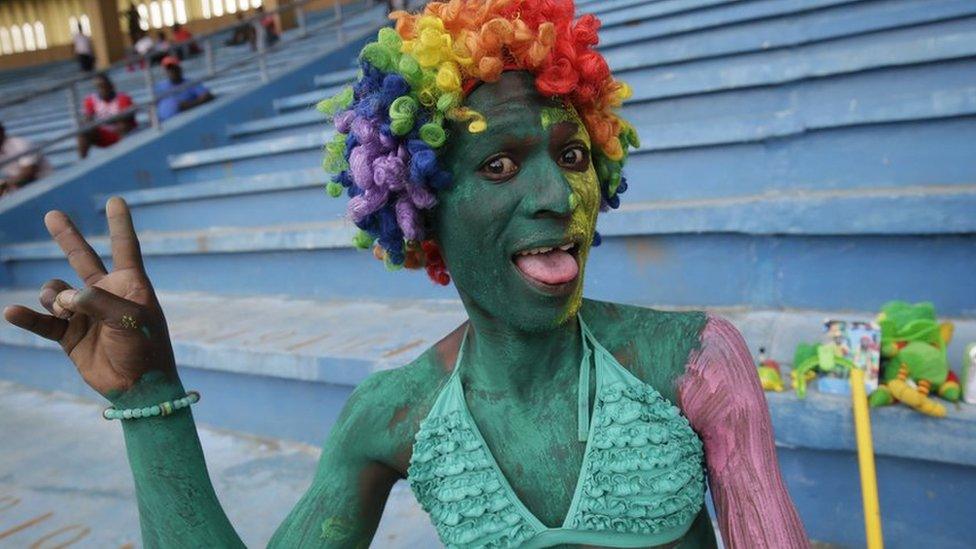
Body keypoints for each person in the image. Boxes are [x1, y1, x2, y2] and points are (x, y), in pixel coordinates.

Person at [1, 2, 809, 547]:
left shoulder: (699, 361)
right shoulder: (392, 416)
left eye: (572, 155)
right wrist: (151, 403)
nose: (558, 193)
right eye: (499, 163)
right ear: (423, 208)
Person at [77, 74, 137, 159]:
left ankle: (125, 155)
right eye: (99, 87)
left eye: (104, 86)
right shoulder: (90, 100)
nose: (102, 89)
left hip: (122, 133)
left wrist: (106, 120)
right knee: (83, 131)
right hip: (104, 134)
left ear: (111, 86)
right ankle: (82, 162)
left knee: (123, 124)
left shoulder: (123, 98)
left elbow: (126, 118)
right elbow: (87, 119)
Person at [0, 122, 52, 197]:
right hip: (21, 187)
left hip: (43, 183)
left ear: (2, 131)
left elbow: (29, 173)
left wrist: (6, 185)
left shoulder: (20, 144)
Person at [154, 56, 213, 122]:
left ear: (179, 68)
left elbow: (207, 95)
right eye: (169, 69)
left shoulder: (191, 83)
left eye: (174, 68)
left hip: (184, 121)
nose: (172, 71)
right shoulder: (160, 86)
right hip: (164, 124)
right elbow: (153, 105)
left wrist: (189, 105)